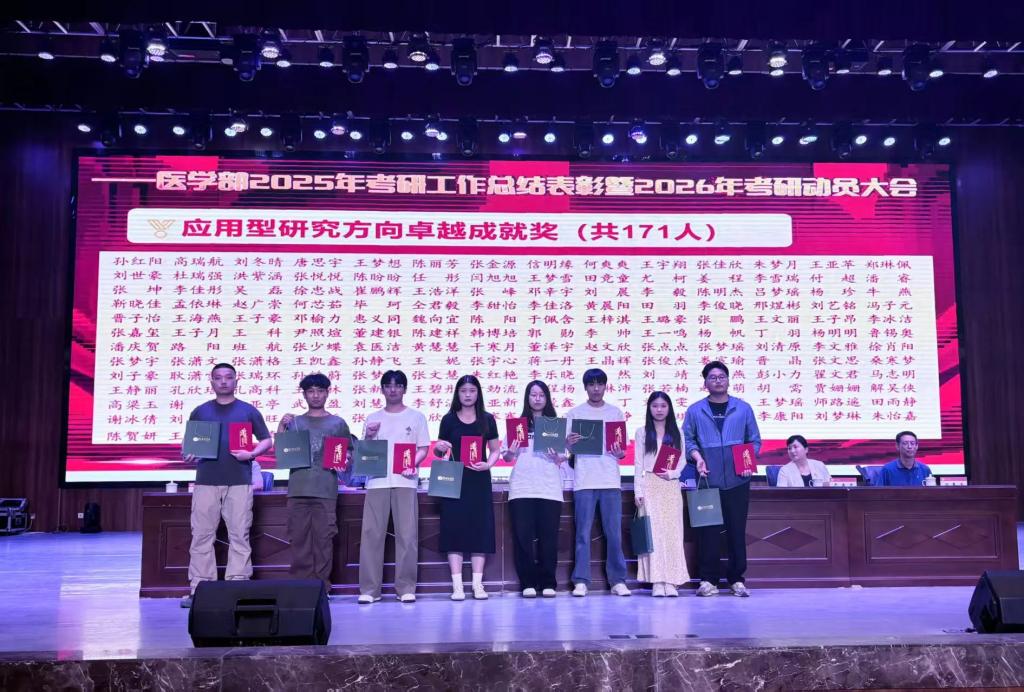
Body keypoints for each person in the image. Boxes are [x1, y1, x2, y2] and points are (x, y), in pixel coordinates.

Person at [180, 362, 272, 608]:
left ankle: (237, 586)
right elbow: (189, 444)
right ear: (211, 382)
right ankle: (200, 588)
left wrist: (251, 454)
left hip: (239, 481)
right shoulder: (200, 411)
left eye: (228, 377)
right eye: (218, 377)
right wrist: (188, 453)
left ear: (236, 381)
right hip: (206, 481)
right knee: (201, 535)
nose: (223, 381)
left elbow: (267, 440)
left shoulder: (247, 410)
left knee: (239, 535)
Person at [682, 360, 761, 598]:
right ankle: (708, 580)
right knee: (708, 533)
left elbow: (754, 441)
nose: (718, 381)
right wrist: (697, 458)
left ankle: (737, 580)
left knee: (737, 531)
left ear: (728, 380)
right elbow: (688, 440)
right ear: (705, 383)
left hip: (738, 480)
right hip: (707, 480)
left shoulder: (743, 408)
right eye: (712, 377)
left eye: (721, 377)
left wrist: (747, 463)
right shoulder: (695, 410)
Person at [358, 370, 430, 604]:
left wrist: (412, 465)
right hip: (376, 482)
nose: (393, 389)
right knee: (371, 535)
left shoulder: (416, 417)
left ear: (404, 389)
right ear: (382, 389)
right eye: (388, 385)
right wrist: (369, 436)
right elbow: (366, 453)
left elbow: (423, 448)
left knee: (407, 535)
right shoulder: (372, 418)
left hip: (405, 481)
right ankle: (369, 590)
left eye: (398, 385)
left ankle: (406, 588)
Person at [277, 373, 354, 591]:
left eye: (320, 391)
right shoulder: (295, 422)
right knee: (299, 539)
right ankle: (301, 587)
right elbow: (282, 452)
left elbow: (348, 453)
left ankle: (322, 587)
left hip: (325, 490)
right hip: (298, 489)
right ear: (304, 395)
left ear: (328, 393)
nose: (316, 395)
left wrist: (344, 459)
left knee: (323, 540)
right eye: (311, 391)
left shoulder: (338, 423)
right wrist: (281, 427)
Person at [434, 375, 501, 601]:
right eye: (463, 391)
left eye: (472, 390)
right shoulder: (448, 419)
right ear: (457, 394)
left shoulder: (487, 419)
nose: (468, 395)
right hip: (453, 480)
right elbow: (439, 451)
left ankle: (477, 585)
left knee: (479, 531)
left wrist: (488, 464)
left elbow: (495, 450)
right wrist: (439, 447)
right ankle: (457, 587)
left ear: (478, 393)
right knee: (454, 530)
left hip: (478, 480)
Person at [566, 368, 631, 597]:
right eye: (591, 384)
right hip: (584, 481)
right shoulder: (574, 413)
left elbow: (622, 452)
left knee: (614, 534)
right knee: (582, 534)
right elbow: (568, 448)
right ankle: (581, 581)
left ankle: (617, 580)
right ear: (585, 387)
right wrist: (569, 443)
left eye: (600, 384)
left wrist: (619, 452)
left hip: (610, 480)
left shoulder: (615, 412)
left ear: (605, 386)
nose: (596, 389)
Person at [502, 380, 567, 598]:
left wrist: (556, 456)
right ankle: (527, 583)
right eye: (533, 394)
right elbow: (507, 457)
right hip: (522, 487)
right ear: (527, 398)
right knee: (523, 538)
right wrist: (511, 451)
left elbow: (563, 457)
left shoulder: (555, 425)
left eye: (541, 395)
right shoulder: (518, 425)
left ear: (547, 398)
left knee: (549, 538)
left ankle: (548, 583)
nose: (537, 399)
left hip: (549, 487)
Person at [633, 391, 689, 596]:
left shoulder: (677, 432)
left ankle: (671, 581)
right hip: (650, 484)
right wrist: (638, 490)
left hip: (670, 485)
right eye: (655, 406)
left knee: (673, 533)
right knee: (654, 534)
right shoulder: (642, 432)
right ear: (649, 408)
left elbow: (682, 460)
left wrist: (672, 474)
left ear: (669, 408)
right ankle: (657, 581)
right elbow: (638, 463)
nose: (659, 410)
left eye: (663, 406)